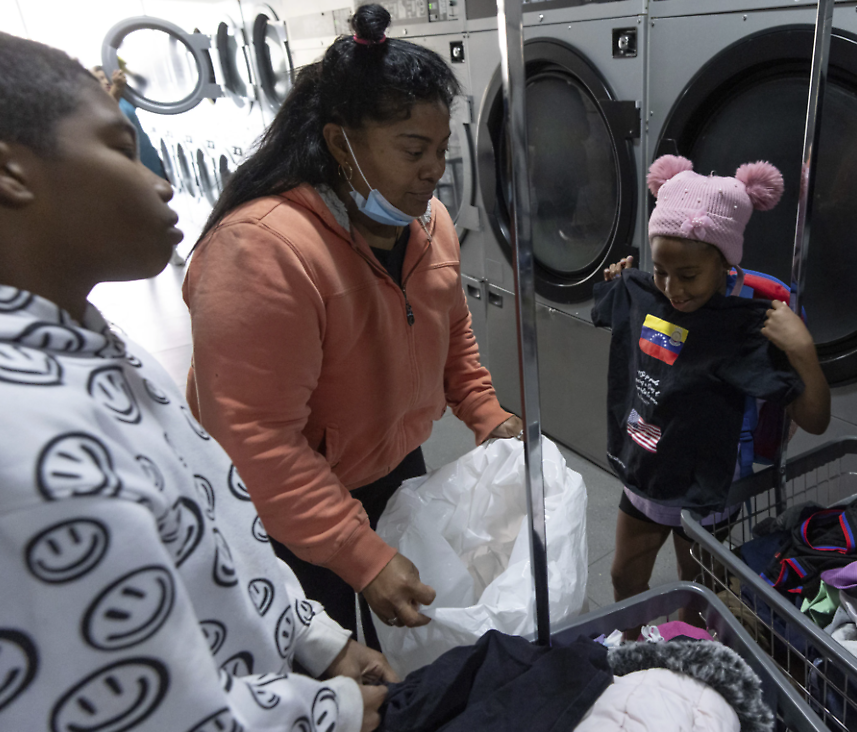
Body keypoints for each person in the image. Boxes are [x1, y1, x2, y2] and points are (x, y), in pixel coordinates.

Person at [0, 32, 395, 731]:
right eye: (121, 150)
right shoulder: (29, 448)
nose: (159, 179)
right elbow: (143, 712)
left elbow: (215, 524)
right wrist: (325, 712)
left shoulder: (90, 343)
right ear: (12, 173)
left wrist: (316, 639)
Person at [182, 3, 521, 650]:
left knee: (404, 641)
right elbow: (256, 441)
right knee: (330, 656)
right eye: (413, 150)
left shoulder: (428, 226)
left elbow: (453, 335)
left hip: (393, 463)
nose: (433, 170)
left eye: (440, 150)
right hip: (287, 502)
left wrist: (485, 411)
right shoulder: (263, 252)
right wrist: (356, 554)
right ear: (341, 143)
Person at [593, 155, 831, 623]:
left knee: (698, 591)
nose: (672, 289)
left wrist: (804, 352)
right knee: (624, 575)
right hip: (646, 467)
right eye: (660, 270)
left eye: (688, 276)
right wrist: (619, 285)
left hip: (709, 484)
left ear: (724, 265)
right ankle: (633, 648)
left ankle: (685, 655)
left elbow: (816, 420)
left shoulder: (743, 325)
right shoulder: (648, 294)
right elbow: (609, 312)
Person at [91, 64, 188, 267]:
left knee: (161, 201)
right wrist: (117, 88)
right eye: (98, 79)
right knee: (141, 205)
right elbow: (109, 114)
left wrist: (126, 68)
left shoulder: (125, 96)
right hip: (126, 159)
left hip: (146, 154)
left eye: (105, 77)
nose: (105, 81)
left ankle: (170, 249)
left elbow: (144, 88)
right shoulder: (96, 105)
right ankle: (151, 249)